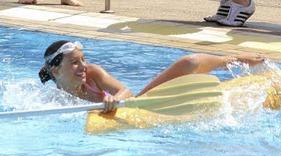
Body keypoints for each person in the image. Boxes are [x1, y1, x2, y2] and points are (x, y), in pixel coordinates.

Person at [38, 39, 266, 111]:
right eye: (75, 63)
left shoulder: (94, 73)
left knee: (190, 62)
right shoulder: (53, 101)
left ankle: (234, 58)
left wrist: (115, 98)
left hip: (140, 103)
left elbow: (125, 90)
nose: (83, 66)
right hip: (135, 117)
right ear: (56, 70)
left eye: (83, 60)